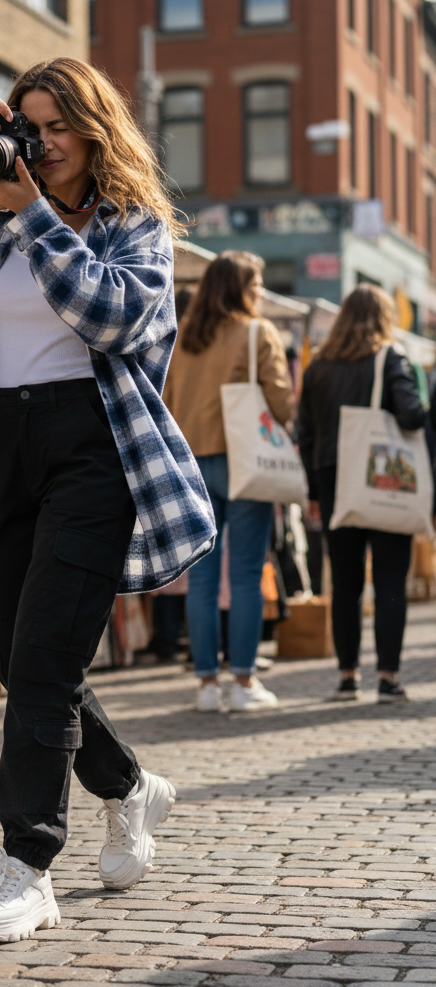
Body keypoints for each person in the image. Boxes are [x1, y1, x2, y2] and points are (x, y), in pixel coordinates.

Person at [0, 57, 216, 944]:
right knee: (20, 656)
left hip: (96, 451)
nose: (42, 142)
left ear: (96, 131)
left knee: (48, 659)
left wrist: (35, 222)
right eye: (28, 124)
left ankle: (28, 865)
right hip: (2, 444)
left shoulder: (134, 229)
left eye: (58, 126)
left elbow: (107, 317)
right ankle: (131, 787)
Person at [163, 251, 294, 712]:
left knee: (200, 577)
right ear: (239, 288)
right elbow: (282, 404)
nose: (260, 293)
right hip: (245, 461)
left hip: (192, 463)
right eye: (256, 285)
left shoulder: (183, 338)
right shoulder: (257, 333)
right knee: (244, 573)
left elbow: (166, 401)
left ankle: (205, 685)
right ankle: (242, 681)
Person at [297, 284, 427, 703]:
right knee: (390, 578)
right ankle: (388, 678)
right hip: (383, 478)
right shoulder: (390, 358)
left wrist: (315, 490)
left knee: (347, 583)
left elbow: (306, 433)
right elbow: (410, 415)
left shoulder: (318, 366)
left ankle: (347, 676)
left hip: (335, 482)